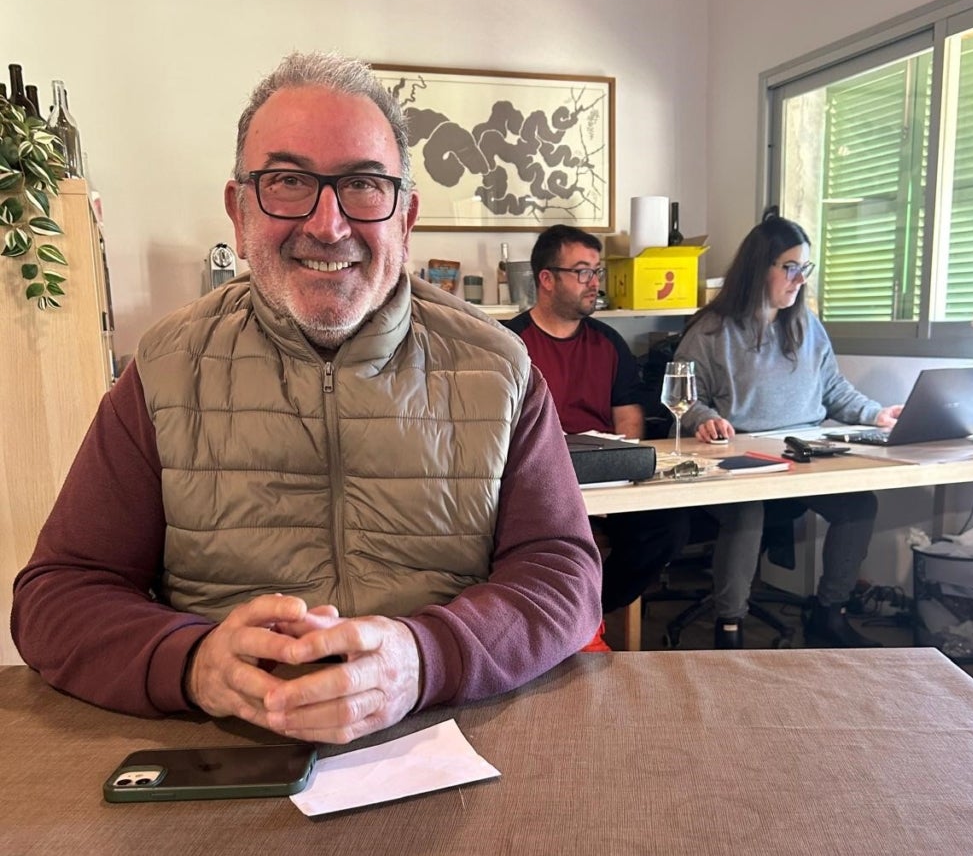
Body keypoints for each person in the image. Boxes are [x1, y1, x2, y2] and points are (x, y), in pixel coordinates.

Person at [11, 52, 602, 744]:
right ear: (239, 212)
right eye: (288, 181)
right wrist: (193, 663)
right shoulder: (164, 370)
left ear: (405, 217)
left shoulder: (500, 367)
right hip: (227, 753)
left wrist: (424, 658)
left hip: (449, 738)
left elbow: (564, 575)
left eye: (363, 184)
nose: (327, 224)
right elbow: (57, 596)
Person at [675, 208, 902, 649]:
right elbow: (684, 400)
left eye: (804, 269)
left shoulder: (807, 325)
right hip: (739, 457)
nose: (799, 280)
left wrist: (877, 414)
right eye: (790, 268)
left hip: (803, 453)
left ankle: (828, 613)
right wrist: (705, 419)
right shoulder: (711, 331)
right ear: (760, 267)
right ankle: (729, 627)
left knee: (859, 505)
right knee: (747, 511)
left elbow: (833, 389)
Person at [504, 225, 687, 616]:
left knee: (668, 529)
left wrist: (616, 472)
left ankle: (587, 616)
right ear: (547, 279)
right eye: (583, 272)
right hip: (536, 481)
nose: (595, 283)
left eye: (596, 271)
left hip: (604, 475)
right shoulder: (508, 344)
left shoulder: (609, 343)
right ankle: (561, 620)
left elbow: (629, 422)